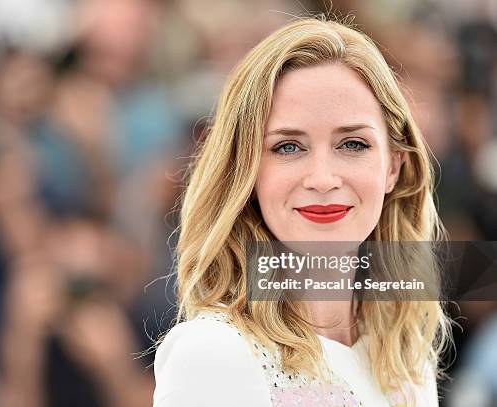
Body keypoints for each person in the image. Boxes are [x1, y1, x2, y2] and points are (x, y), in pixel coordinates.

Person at [152, 17, 452, 407]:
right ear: (247, 172)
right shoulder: (213, 354)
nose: (323, 179)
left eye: (353, 144)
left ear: (393, 166)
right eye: (288, 147)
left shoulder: (407, 366)